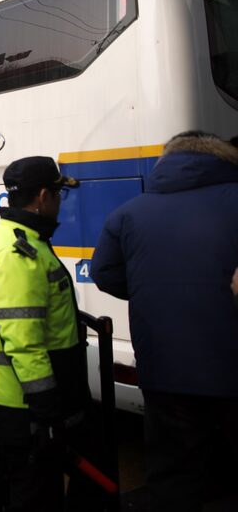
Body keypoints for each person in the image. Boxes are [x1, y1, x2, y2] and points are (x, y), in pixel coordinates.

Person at [92, 131, 238, 512]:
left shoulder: (127, 213)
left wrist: (152, 293)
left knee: (174, 478)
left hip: (165, 370)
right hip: (230, 366)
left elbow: (104, 273)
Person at [0, 156, 89, 512]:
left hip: (17, 402)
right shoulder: (19, 253)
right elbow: (24, 344)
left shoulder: (15, 238)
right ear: (42, 197)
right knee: (36, 497)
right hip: (23, 408)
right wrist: (47, 414)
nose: (59, 203)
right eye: (57, 194)